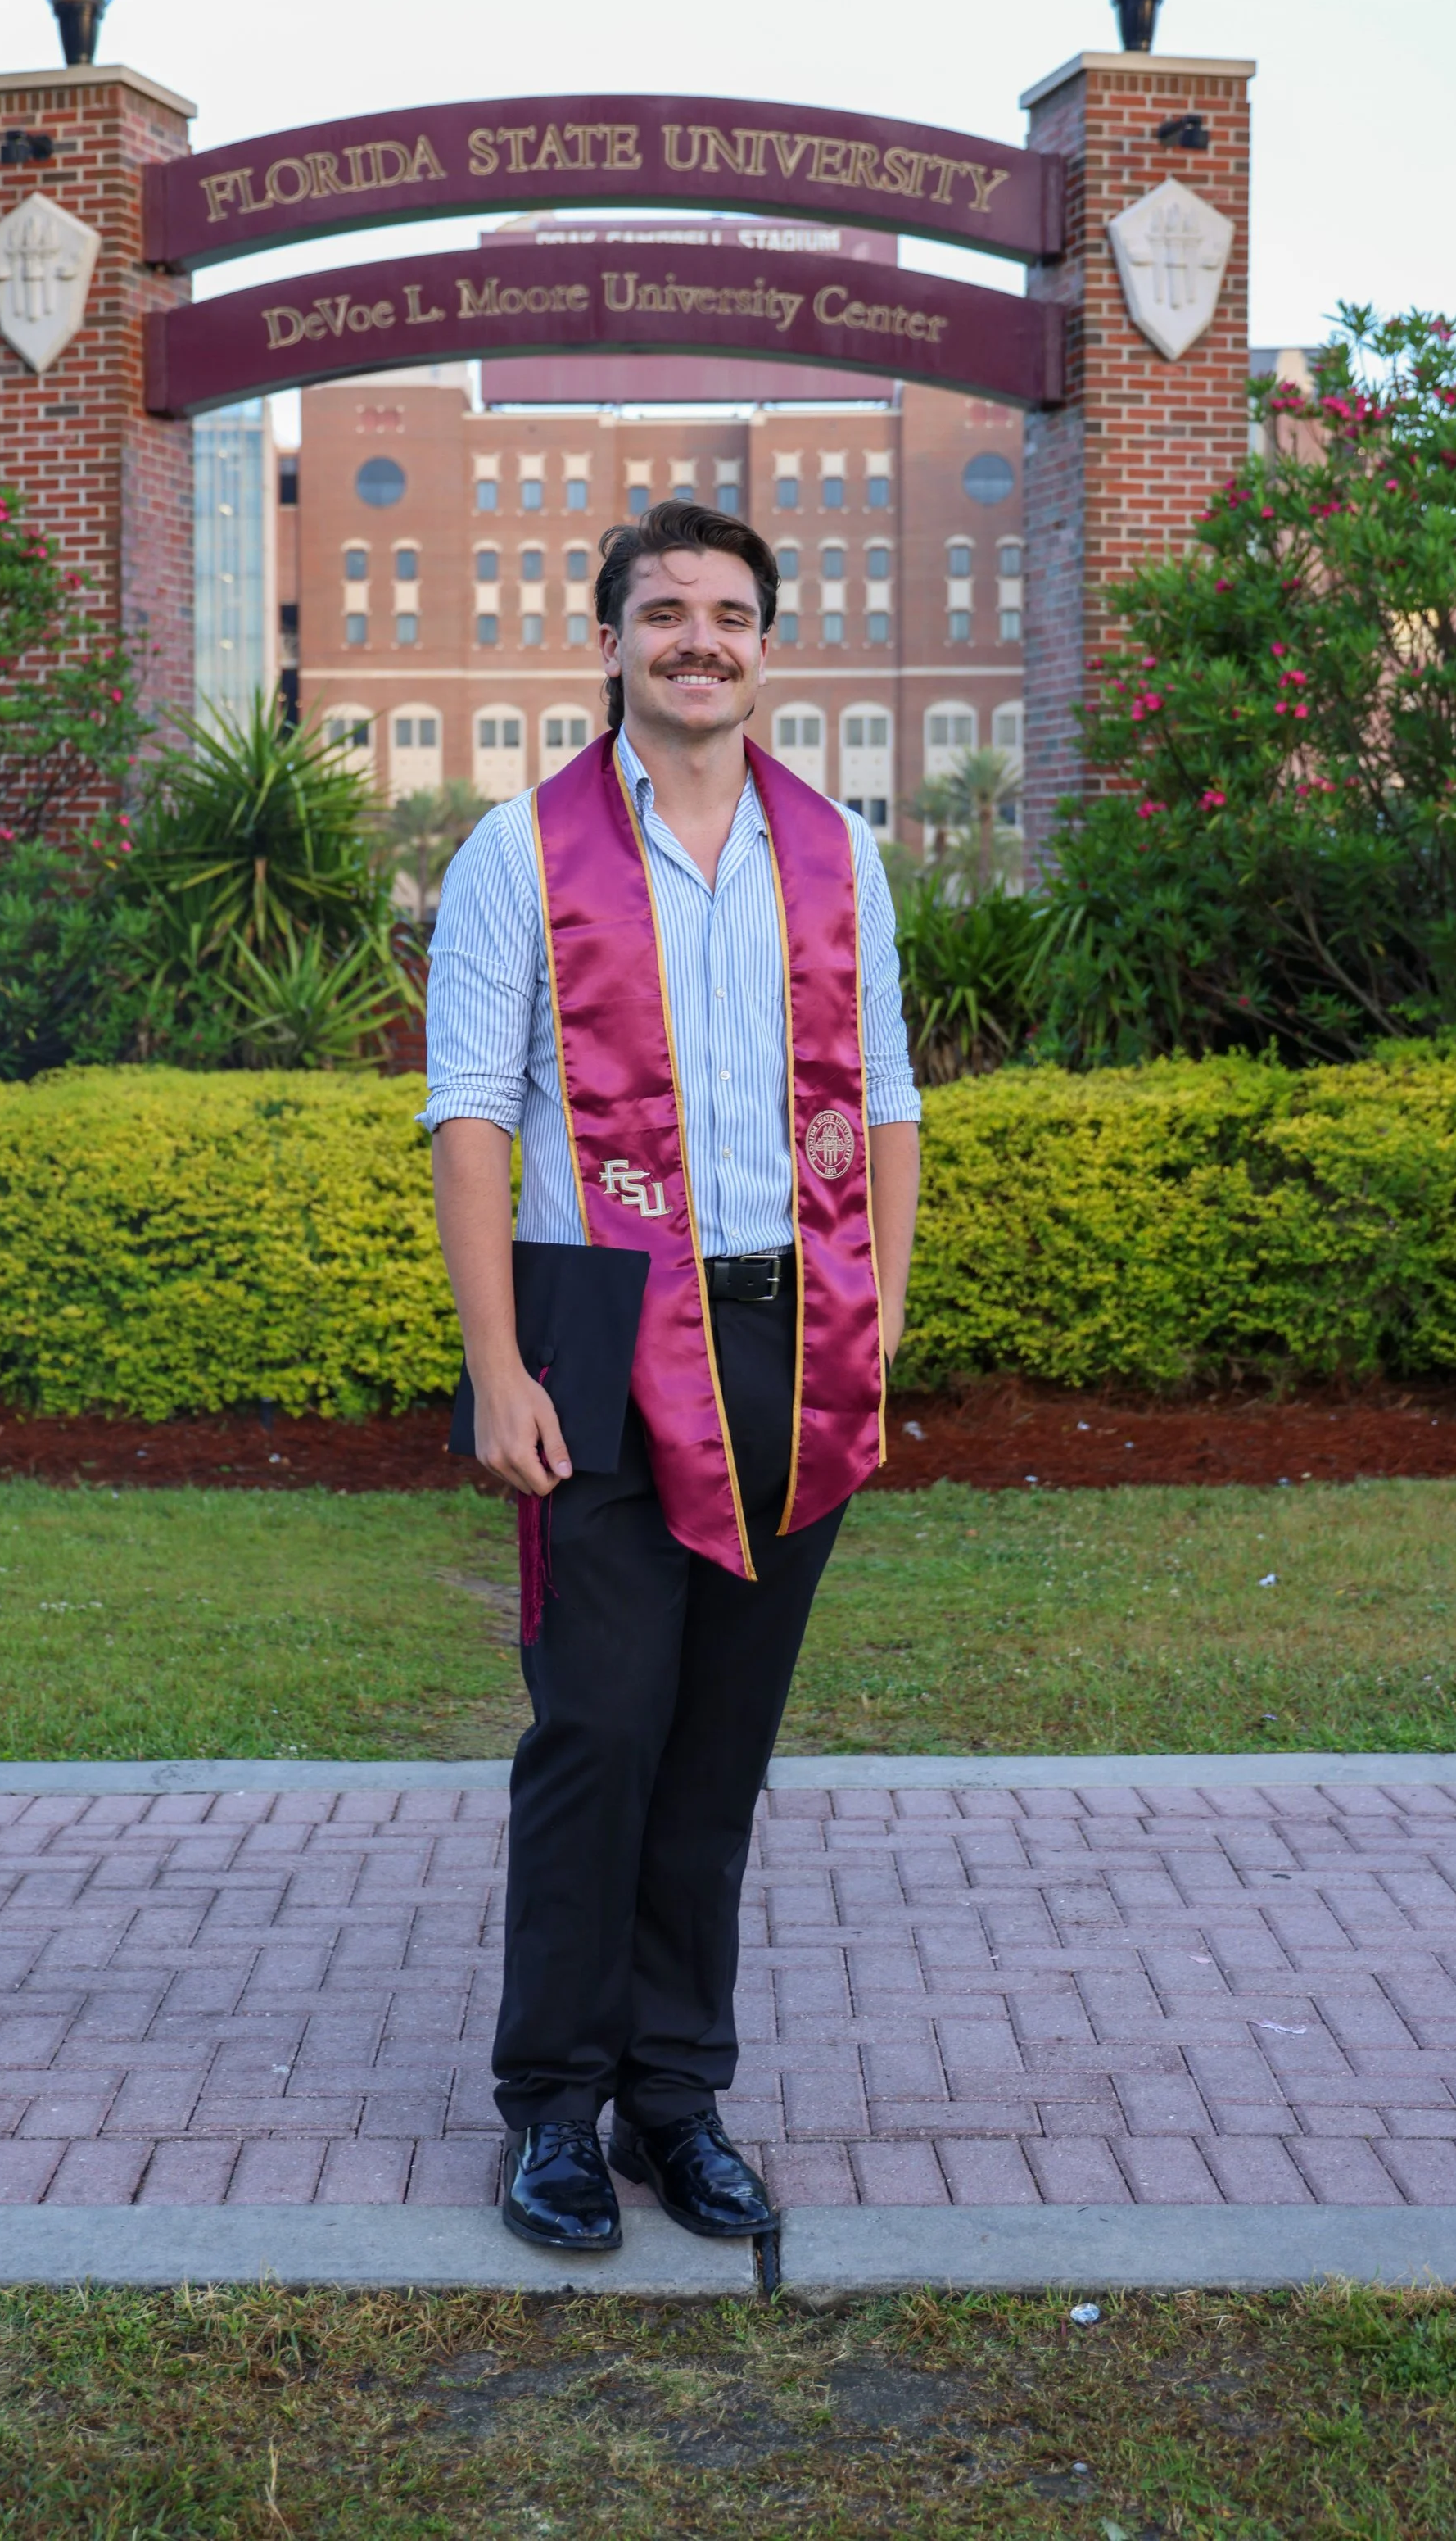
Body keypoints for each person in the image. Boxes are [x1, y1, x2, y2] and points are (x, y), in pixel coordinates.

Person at [421, 498, 921, 2255]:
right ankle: (554, 2110)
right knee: (598, 1730)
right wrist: (496, 1365)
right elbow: (469, 1116)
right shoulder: (520, 850)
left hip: (793, 1324)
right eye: (663, 612)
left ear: (766, 644)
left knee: (718, 1746)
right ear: (611, 640)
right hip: (600, 1329)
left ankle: (676, 2098)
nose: (698, 639)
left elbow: (885, 1098)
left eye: (728, 613)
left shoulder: (834, 852)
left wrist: (880, 1318)